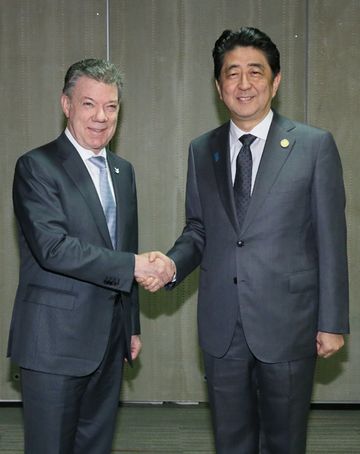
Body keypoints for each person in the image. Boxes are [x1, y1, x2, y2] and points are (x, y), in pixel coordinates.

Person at [139, 27, 349, 453]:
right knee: (230, 442)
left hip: (290, 323)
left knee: (284, 442)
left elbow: (331, 238)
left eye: (256, 72)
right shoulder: (203, 149)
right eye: (232, 73)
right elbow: (198, 229)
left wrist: (333, 321)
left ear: (275, 81)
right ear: (218, 87)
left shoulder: (313, 146)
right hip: (222, 327)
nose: (244, 83)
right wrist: (173, 264)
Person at [8, 58, 173, 454]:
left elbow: (123, 245)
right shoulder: (37, 166)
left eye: (111, 106)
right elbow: (54, 248)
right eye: (89, 104)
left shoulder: (123, 171)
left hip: (109, 342)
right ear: (66, 105)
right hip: (53, 345)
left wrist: (131, 325)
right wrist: (136, 265)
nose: (101, 117)